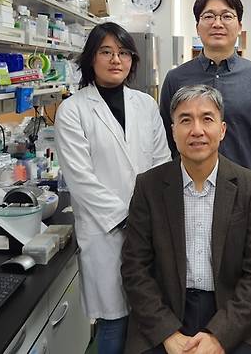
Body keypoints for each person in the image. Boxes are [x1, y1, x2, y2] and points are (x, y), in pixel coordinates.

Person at [121, 85, 251, 354]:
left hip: (229, 311)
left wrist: (219, 337)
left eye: (207, 119)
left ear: (222, 130)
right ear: (173, 132)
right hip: (166, 311)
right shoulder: (149, 186)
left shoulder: (248, 186)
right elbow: (135, 269)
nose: (197, 130)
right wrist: (168, 333)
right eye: (185, 120)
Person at [55, 22, 170, 354]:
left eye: (123, 52)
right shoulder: (73, 110)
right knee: (114, 322)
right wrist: (130, 219)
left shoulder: (146, 105)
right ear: (91, 58)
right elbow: (81, 179)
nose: (116, 59)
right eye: (106, 52)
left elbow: (161, 161)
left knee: (150, 318)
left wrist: (151, 217)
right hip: (105, 233)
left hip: (149, 227)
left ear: (132, 59)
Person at [159, 0, 251, 174]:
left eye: (227, 16)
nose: (217, 23)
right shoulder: (176, 78)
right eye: (209, 16)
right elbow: (166, 136)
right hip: (189, 184)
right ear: (197, 27)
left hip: (246, 184)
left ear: (239, 26)